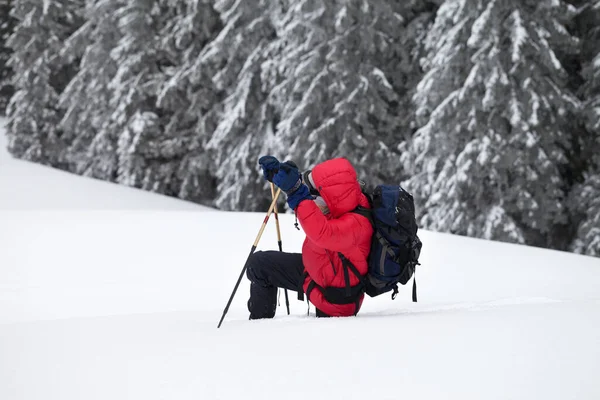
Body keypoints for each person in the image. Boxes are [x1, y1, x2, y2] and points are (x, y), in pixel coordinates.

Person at [245, 155, 373, 319]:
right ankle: (259, 323)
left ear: (333, 197)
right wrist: (283, 177)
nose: (311, 199)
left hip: (336, 299)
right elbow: (315, 201)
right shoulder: (345, 202)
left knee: (260, 266)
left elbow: (321, 232)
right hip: (324, 271)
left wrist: (296, 192)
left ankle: (258, 330)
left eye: (315, 195)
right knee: (259, 264)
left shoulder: (356, 224)